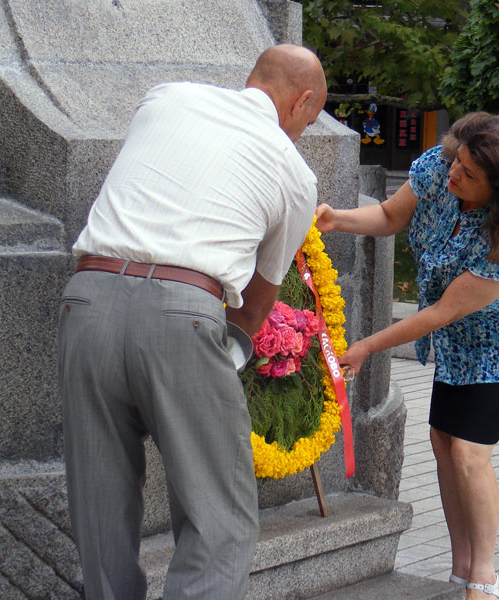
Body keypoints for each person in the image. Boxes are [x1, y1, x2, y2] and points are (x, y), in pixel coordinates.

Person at [57, 44, 326, 600]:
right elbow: (254, 308)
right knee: (220, 517)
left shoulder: (166, 98)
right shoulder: (294, 172)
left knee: (100, 505)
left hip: (86, 301)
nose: (304, 129)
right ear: (301, 102)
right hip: (185, 313)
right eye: (311, 117)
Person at [315, 113, 499, 600]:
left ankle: (485, 578)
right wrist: (335, 219)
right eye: (459, 161)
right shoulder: (438, 166)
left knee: (469, 452)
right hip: (460, 341)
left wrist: (365, 346)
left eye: (470, 175)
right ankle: (461, 566)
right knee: (443, 441)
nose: (455, 175)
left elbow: (442, 312)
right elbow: (388, 216)